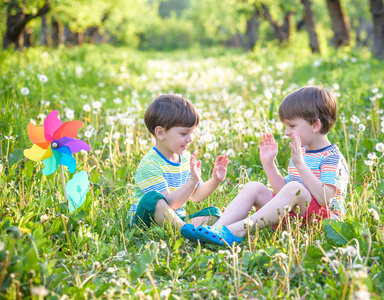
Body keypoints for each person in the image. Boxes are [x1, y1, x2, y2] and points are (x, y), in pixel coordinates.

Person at [182, 85, 349, 246]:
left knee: (296, 188)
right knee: (254, 187)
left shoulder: (331, 158)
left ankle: (235, 231)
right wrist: (269, 164)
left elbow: (325, 199)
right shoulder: (302, 153)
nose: (286, 132)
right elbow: (282, 192)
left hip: (323, 224)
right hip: (295, 219)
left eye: (292, 126)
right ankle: (216, 230)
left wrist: (300, 164)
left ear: (315, 125)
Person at [128, 94, 228, 236]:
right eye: (184, 133)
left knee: (215, 213)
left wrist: (216, 180)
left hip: (176, 219)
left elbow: (196, 195)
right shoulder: (150, 165)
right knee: (153, 199)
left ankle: (185, 230)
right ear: (161, 133)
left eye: (192, 132)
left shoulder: (185, 159)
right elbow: (168, 204)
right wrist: (192, 181)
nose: (190, 139)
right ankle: (184, 230)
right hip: (146, 222)